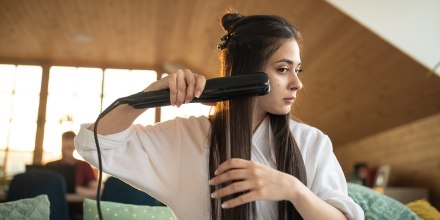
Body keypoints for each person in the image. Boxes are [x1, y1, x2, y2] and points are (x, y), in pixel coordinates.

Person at [75, 13, 364, 220]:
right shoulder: (184, 138)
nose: (297, 83)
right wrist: (148, 96)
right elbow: (93, 144)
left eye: (297, 70)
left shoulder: (311, 142)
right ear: (248, 73)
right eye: (282, 69)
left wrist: (293, 189)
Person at [46, 131, 97, 198]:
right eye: (64, 147)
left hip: (76, 205)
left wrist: (74, 189)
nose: (66, 151)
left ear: (74, 147)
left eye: (69, 148)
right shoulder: (50, 166)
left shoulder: (84, 166)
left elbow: (96, 192)